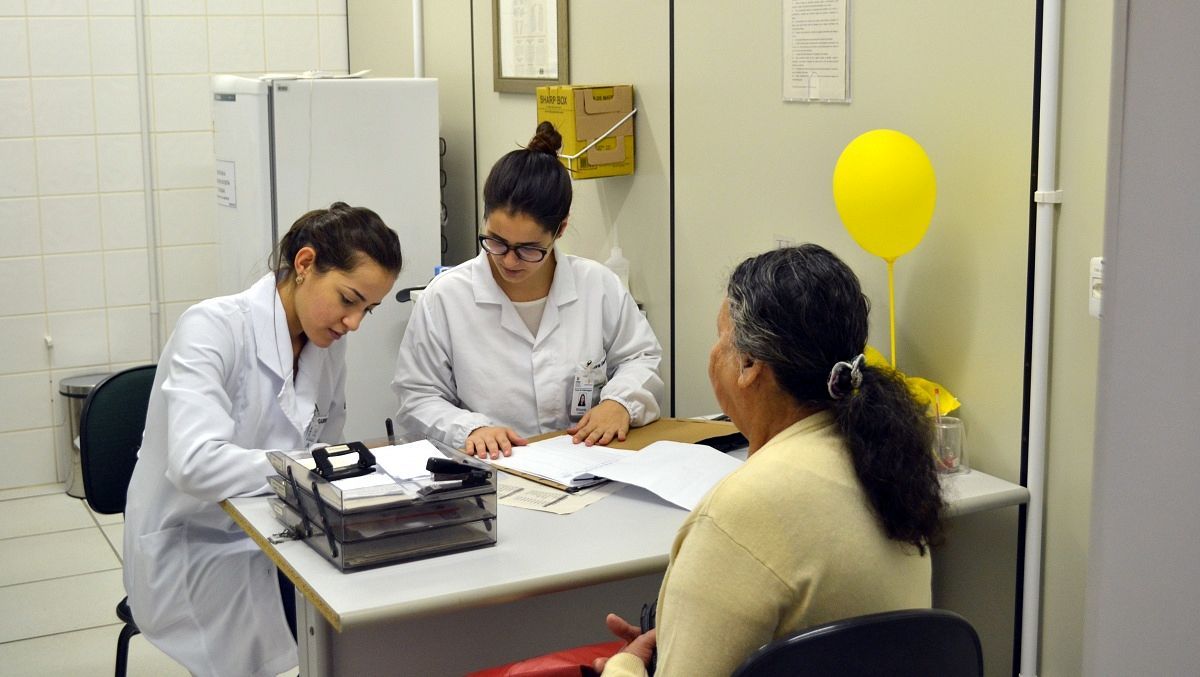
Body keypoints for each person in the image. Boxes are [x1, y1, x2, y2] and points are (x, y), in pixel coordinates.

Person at [595, 244, 945, 676]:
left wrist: (625, 665)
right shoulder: (887, 466)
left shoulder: (740, 510)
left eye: (720, 337)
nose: (713, 353)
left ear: (748, 364)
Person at [123, 202, 402, 677]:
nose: (354, 322)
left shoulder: (327, 344)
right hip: (194, 543)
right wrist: (305, 468)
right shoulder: (211, 327)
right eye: (349, 299)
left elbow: (323, 449)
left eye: (367, 310)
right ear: (306, 263)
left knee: (378, 598)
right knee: (300, 640)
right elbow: (196, 464)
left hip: (277, 526)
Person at [392, 122, 663, 459]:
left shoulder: (598, 285)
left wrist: (619, 402)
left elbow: (641, 357)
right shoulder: (445, 299)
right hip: (492, 473)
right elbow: (418, 395)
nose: (508, 260)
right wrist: (470, 428)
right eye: (496, 241)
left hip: (586, 464)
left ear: (560, 229)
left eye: (528, 249)